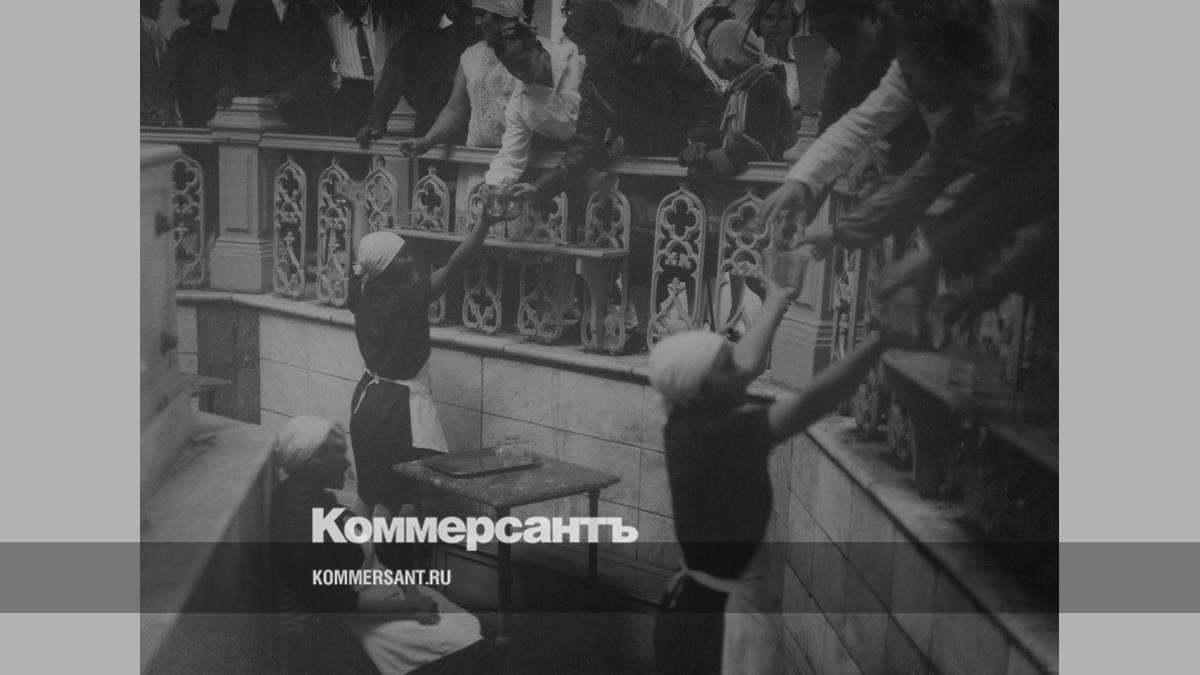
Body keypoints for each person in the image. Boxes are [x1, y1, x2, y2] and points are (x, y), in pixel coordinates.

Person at [648, 268, 888, 674]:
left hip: (696, 607)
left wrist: (776, 299)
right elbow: (812, 402)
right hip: (717, 630)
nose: (742, 371)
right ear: (701, 388)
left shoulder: (686, 416)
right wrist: (879, 342)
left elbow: (742, 365)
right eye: (726, 368)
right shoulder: (720, 436)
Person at [507, 1, 723, 348]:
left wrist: (696, 140)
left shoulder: (661, 49)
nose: (583, 53)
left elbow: (710, 100)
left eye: (587, 43)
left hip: (689, 170)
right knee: (639, 251)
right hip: (642, 171)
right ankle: (648, 331)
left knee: (691, 253)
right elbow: (584, 146)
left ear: (608, 31)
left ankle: (699, 334)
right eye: (578, 46)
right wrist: (540, 187)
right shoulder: (595, 80)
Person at [271, 415, 487, 674]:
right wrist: (408, 607)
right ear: (312, 461)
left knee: (471, 625)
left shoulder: (318, 500)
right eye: (337, 455)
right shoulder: (298, 522)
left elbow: (374, 556)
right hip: (369, 625)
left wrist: (411, 591)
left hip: (391, 598)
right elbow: (336, 606)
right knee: (473, 645)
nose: (346, 463)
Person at [346, 209, 497, 527]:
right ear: (386, 266)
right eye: (402, 256)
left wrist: (357, 206)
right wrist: (483, 225)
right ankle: (376, 558)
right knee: (388, 499)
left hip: (366, 402)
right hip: (396, 409)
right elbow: (455, 266)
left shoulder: (361, 291)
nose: (410, 259)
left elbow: (361, 251)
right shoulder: (406, 299)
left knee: (367, 492)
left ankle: (353, 556)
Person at [398, 0, 525, 230]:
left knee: (514, 241)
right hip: (476, 166)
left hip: (519, 167)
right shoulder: (470, 55)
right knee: (474, 238)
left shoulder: (534, 52)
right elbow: (455, 109)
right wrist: (427, 140)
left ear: (502, 15)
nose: (477, 22)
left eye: (482, 14)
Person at [809, 0, 927, 172]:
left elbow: (941, 137)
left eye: (851, 31)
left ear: (872, 15)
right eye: (832, 36)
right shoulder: (842, 64)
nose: (844, 45)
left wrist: (889, 152)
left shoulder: (916, 43)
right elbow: (828, 134)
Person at [356, 0, 479, 148]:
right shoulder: (409, 45)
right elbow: (390, 84)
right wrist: (375, 124)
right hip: (428, 130)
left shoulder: (468, 38)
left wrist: (376, 123)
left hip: (468, 129)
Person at [482, 21, 585, 188]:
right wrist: (493, 185)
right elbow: (510, 158)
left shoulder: (579, 56)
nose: (518, 72)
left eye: (523, 62)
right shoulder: (519, 106)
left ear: (538, 49)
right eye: (510, 67)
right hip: (575, 172)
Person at [220, 0, 336, 134]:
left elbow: (321, 59)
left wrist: (295, 92)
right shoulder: (246, 6)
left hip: (298, 109)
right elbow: (231, 54)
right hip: (257, 108)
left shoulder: (310, 11)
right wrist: (231, 89)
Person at [323, 0, 398, 137]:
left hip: (380, 89)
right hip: (349, 94)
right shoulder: (333, 24)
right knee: (346, 143)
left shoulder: (384, 21)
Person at [160, 0, 228, 128]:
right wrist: (167, 105)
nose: (200, 14)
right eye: (193, 10)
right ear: (186, 14)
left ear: (213, 10)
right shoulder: (181, 37)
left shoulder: (223, 38)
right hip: (191, 106)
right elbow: (171, 74)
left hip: (222, 107)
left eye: (204, 8)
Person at [749, 0, 803, 109]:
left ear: (793, 23)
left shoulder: (803, 68)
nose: (776, 24)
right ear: (759, 23)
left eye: (783, 18)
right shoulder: (752, 67)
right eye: (769, 18)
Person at [141, 0, 173, 126]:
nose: (158, 9)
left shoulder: (151, 28)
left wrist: (166, 106)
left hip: (150, 106)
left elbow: (164, 69)